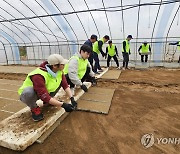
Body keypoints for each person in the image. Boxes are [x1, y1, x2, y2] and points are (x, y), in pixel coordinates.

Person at [18, 54, 76, 122]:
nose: (64, 66)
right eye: (62, 64)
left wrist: (72, 98)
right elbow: (44, 95)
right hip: (30, 95)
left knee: (59, 82)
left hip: (44, 92)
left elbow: (65, 85)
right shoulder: (38, 75)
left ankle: (48, 102)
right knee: (29, 92)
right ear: (55, 66)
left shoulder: (59, 71)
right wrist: (63, 105)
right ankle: (34, 108)